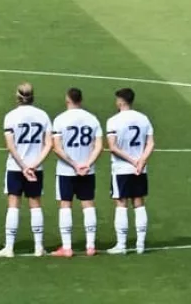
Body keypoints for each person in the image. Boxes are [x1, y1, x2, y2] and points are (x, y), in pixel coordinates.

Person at [0, 83, 53, 258]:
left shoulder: (11, 116)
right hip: (36, 167)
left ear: (17, 96)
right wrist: (34, 165)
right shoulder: (43, 115)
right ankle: (38, 247)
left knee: (13, 204)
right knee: (35, 204)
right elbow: (49, 143)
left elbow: (10, 145)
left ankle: (9, 248)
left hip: (15, 167)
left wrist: (22, 165)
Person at [51, 87, 104, 257]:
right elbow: (99, 146)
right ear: (80, 100)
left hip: (66, 170)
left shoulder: (60, 120)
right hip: (87, 171)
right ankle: (90, 246)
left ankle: (67, 247)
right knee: (88, 204)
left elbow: (57, 148)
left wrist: (74, 165)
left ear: (67, 100)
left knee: (65, 204)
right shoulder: (92, 119)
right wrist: (86, 164)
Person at [106, 88, 154, 255]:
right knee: (139, 203)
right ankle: (140, 244)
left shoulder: (113, 121)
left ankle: (122, 244)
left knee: (121, 203)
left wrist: (132, 160)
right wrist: (141, 161)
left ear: (120, 101)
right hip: (140, 169)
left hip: (121, 169)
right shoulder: (143, 118)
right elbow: (151, 144)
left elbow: (113, 147)